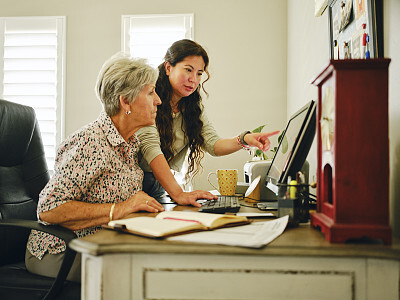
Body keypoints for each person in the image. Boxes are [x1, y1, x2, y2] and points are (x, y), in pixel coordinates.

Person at [25, 53, 164, 282]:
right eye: (150, 92)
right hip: (60, 253)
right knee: (148, 274)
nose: (158, 100)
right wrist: (120, 208)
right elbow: (49, 208)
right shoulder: (91, 141)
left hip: (101, 243)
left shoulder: (130, 142)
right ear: (125, 102)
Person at [137, 39, 279, 207]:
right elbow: (151, 148)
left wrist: (245, 139)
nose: (194, 79)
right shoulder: (149, 97)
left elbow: (213, 145)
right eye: (188, 70)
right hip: (133, 182)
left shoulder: (192, 108)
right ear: (168, 68)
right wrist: (179, 194)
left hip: (159, 185)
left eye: (199, 73)